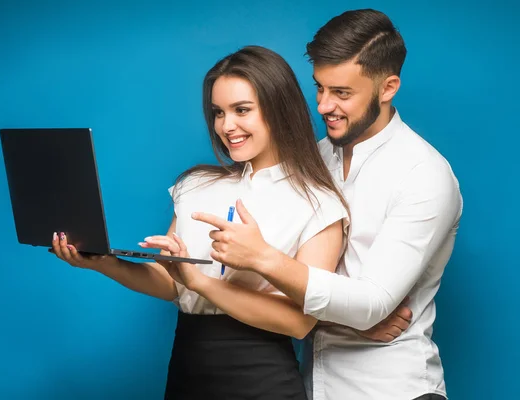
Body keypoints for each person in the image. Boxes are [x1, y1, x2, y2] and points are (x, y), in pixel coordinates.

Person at [50, 45, 407, 400]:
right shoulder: (196, 185)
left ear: (278, 109)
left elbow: (299, 322)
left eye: (242, 110)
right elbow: (171, 284)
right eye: (218, 112)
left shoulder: (319, 204)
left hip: (261, 379)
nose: (227, 125)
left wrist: (201, 282)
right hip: (187, 370)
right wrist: (104, 263)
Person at [191, 9, 463, 400]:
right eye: (320, 88)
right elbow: (308, 303)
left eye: (342, 93)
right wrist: (337, 321)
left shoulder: (425, 176)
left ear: (388, 88)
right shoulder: (313, 160)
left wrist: (264, 259)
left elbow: (373, 303)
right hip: (309, 385)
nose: (322, 106)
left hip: (394, 389)